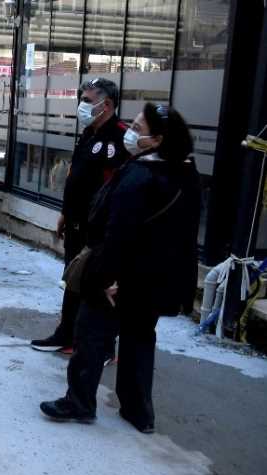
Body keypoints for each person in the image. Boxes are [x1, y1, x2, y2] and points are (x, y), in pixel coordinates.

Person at [40, 104, 200, 434]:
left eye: (138, 127)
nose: (131, 130)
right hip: (155, 281)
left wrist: (108, 278)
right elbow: (182, 239)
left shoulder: (141, 175)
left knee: (91, 336)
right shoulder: (186, 174)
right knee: (140, 340)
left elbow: (118, 233)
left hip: (119, 276)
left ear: (155, 139)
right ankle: (138, 412)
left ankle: (80, 402)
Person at [31, 78, 128, 357]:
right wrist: (65, 213)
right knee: (72, 280)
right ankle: (67, 334)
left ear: (106, 104)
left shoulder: (120, 137)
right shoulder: (88, 133)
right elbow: (76, 177)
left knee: (95, 287)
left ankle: (101, 346)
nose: (81, 105)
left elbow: (116, 190)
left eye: (86, 100)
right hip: (75, 223)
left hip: (97, 229)